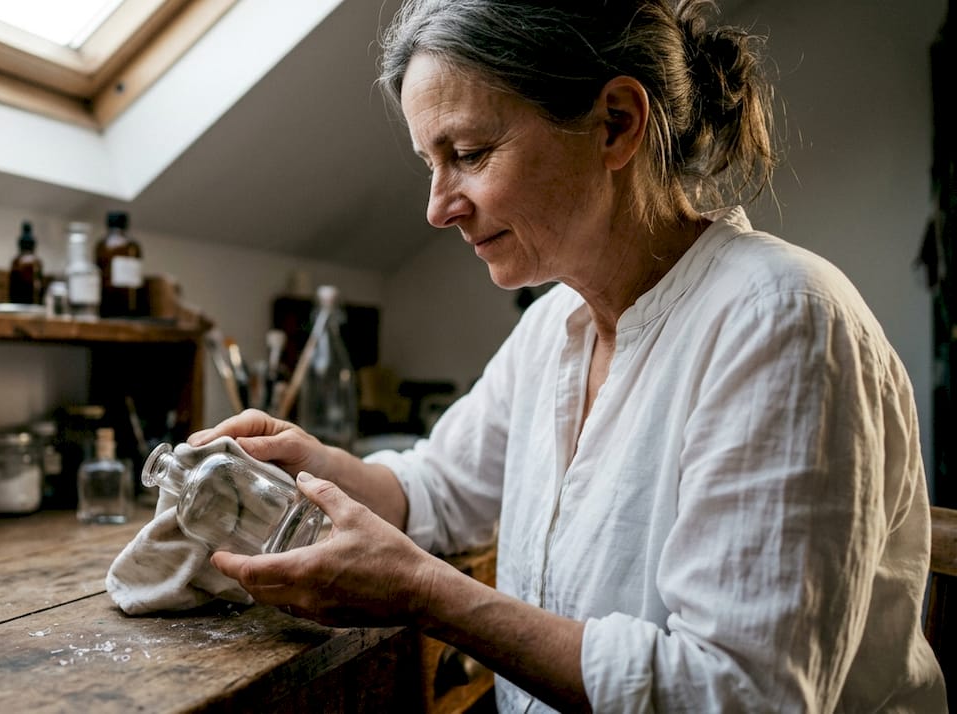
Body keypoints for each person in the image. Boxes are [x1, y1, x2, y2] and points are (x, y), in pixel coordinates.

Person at [190, 0, 947, 710]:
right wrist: (317, 464)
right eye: (432, 162)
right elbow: (442, 487)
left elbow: (737, 693)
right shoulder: (556, 323)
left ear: (616, 123)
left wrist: (426, 594)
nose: (438, 205)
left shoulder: (782, 321)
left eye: (471, 153)